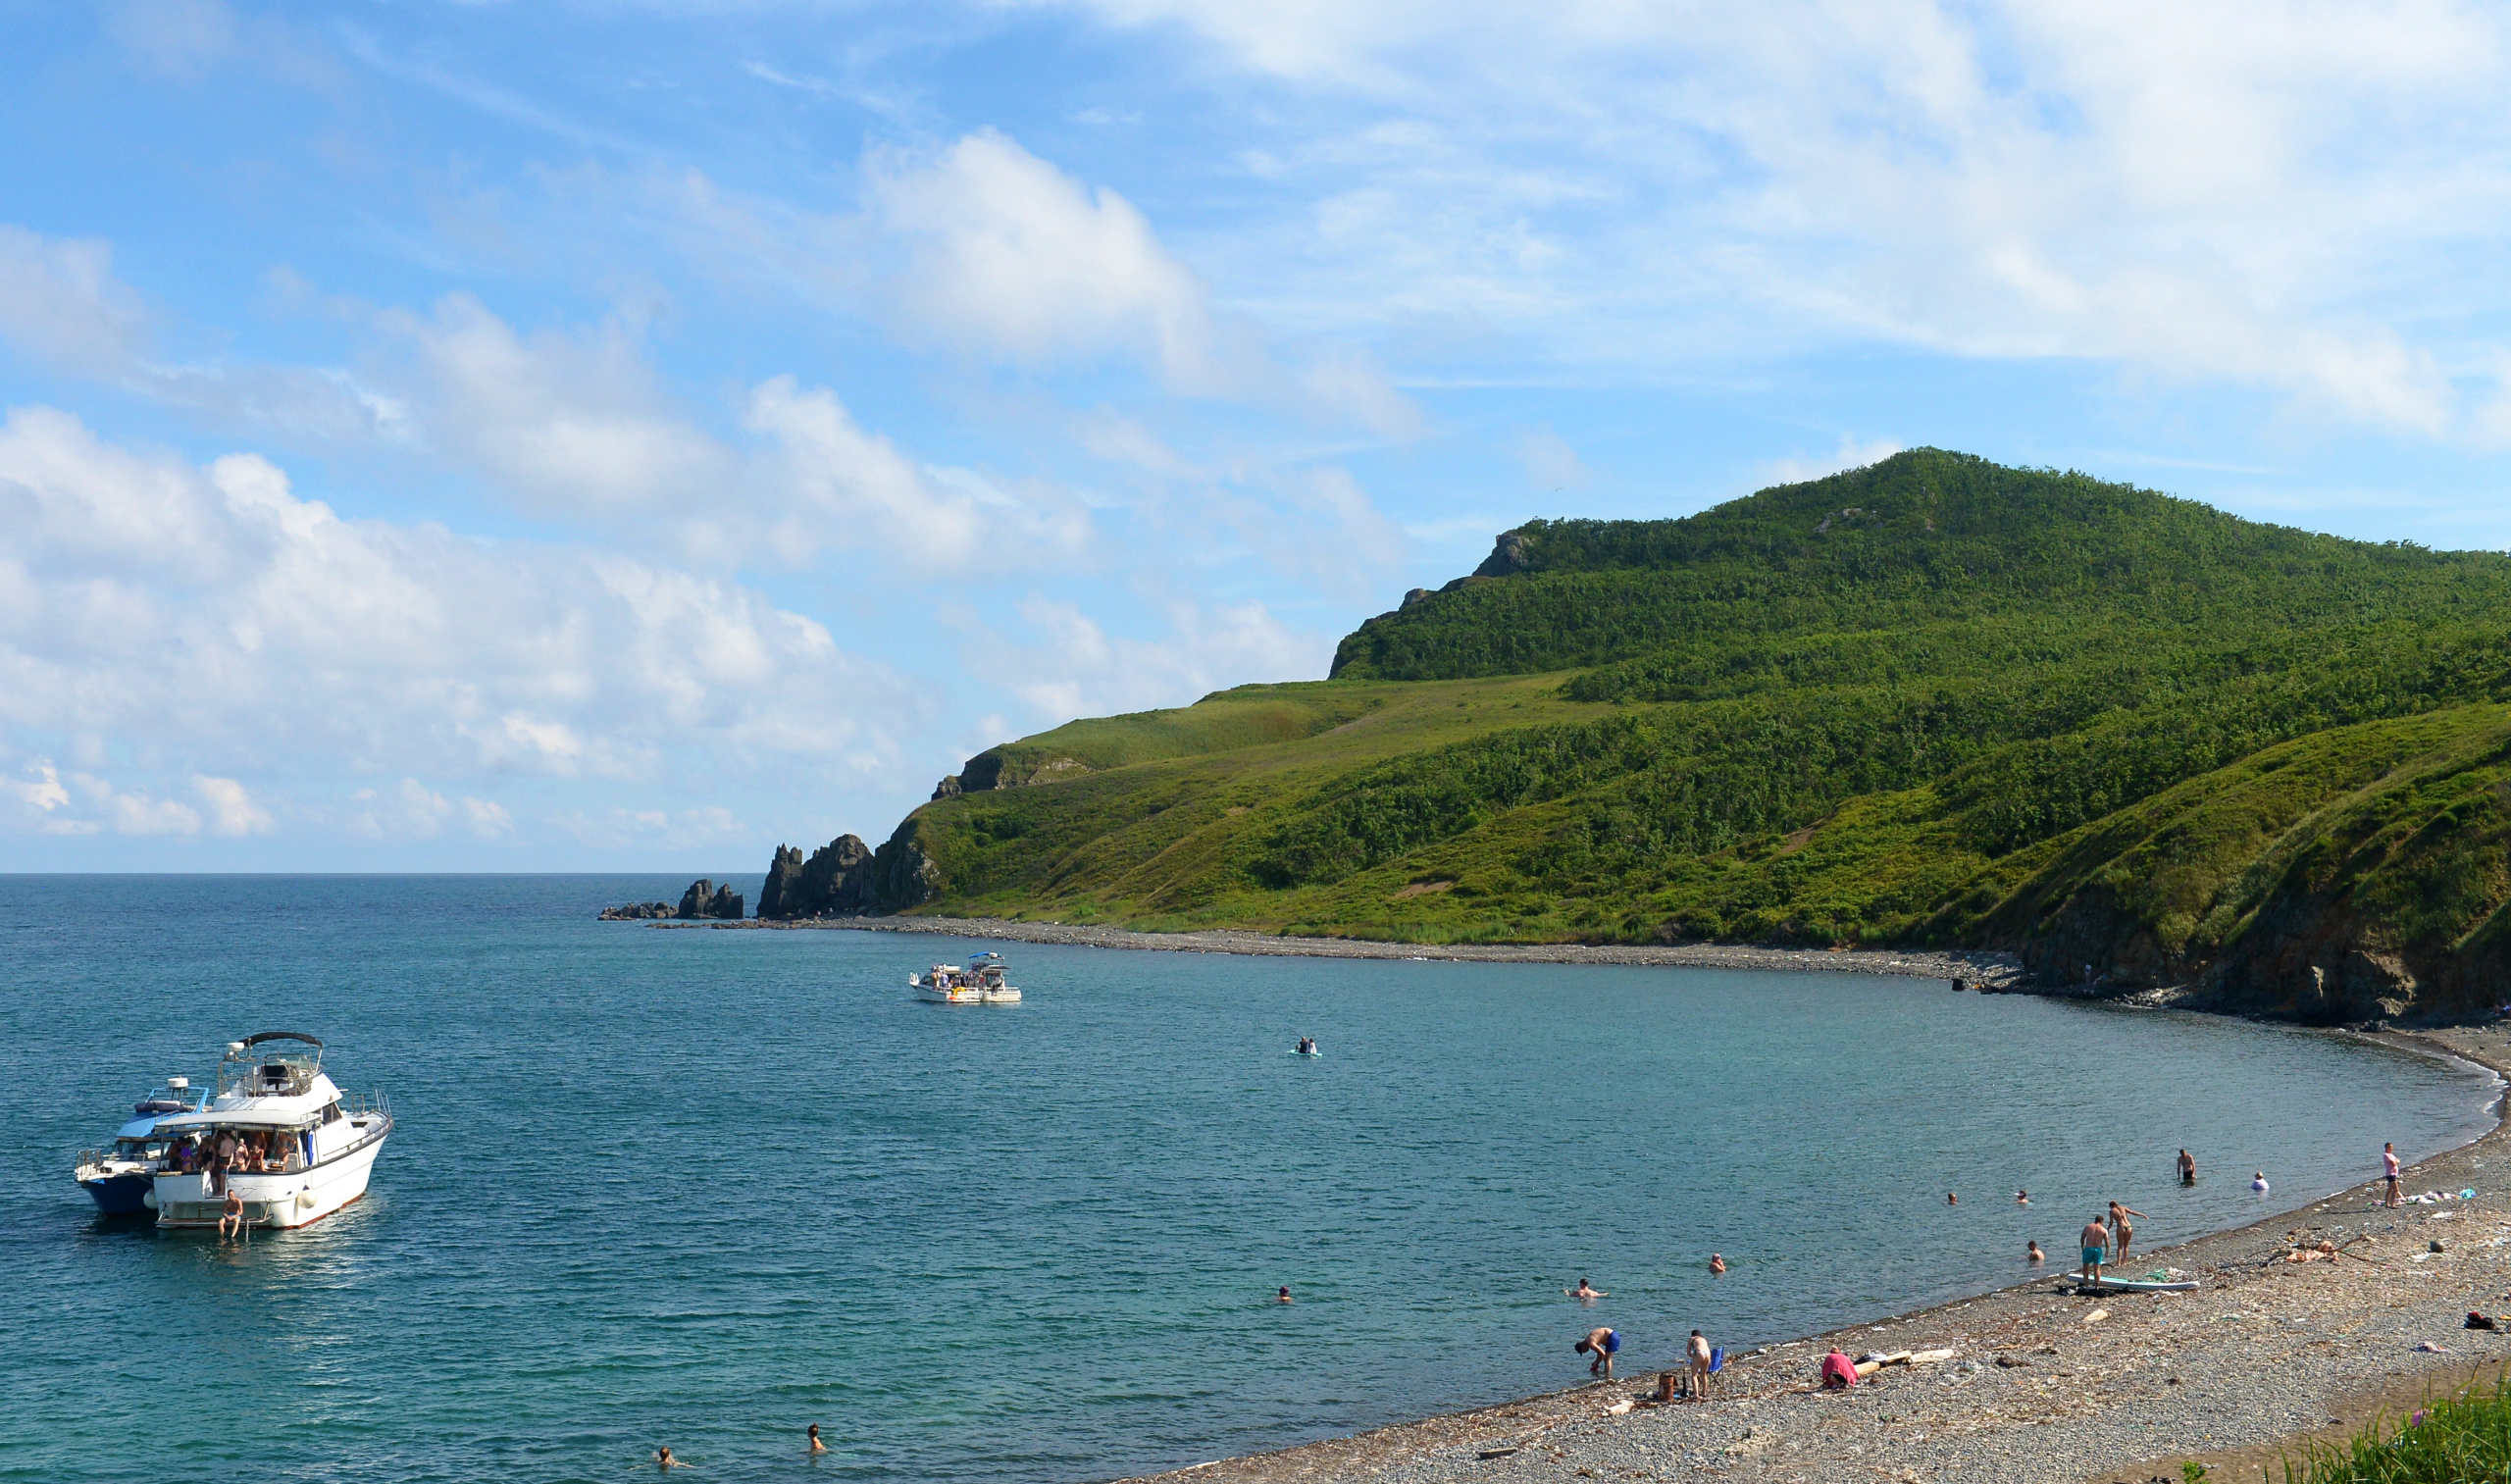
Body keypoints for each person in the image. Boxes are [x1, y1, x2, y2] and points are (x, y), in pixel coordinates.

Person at [2078, 1214, 2110, 1282]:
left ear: (2095, 1220)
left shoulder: (2088, 1227)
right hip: (2097, 1250)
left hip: (2088, 1249)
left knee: (2085, 1269)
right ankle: (2096, 1286)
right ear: (2102, 1221)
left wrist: (2082, 1247)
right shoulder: (2104, 1230)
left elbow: (2082, 1238)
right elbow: (2107, 1242)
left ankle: (2086, 1284)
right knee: (2097, 1269)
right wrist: (2107, 1251)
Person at [1687, 1329, 1713, 1398]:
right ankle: (1704, 1392)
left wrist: (1695, 1357)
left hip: (1699, 1352)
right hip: (1708, 1354)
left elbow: (1688, 1353)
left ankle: (1696, 1394)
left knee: (1694, 1375)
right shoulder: (1704, 1339)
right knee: (1703, 1374)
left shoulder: (1691, 1339)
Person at [2384, 1143, 2404, 1207]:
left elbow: (2398, 1160)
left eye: (2392, 1147)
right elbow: (2393, 1163)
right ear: (2387, 1147)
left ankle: (2387, 1204)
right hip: (2390, 1174)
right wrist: (2396, 1162)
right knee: (2395, 1189)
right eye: (2390, 1147)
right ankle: (2392, 1204)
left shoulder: (2391, 1155)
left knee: (2390, 1189)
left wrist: (2397, 1161)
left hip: (2394, 1174)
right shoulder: (2386, 1155)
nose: (2392, 1148)